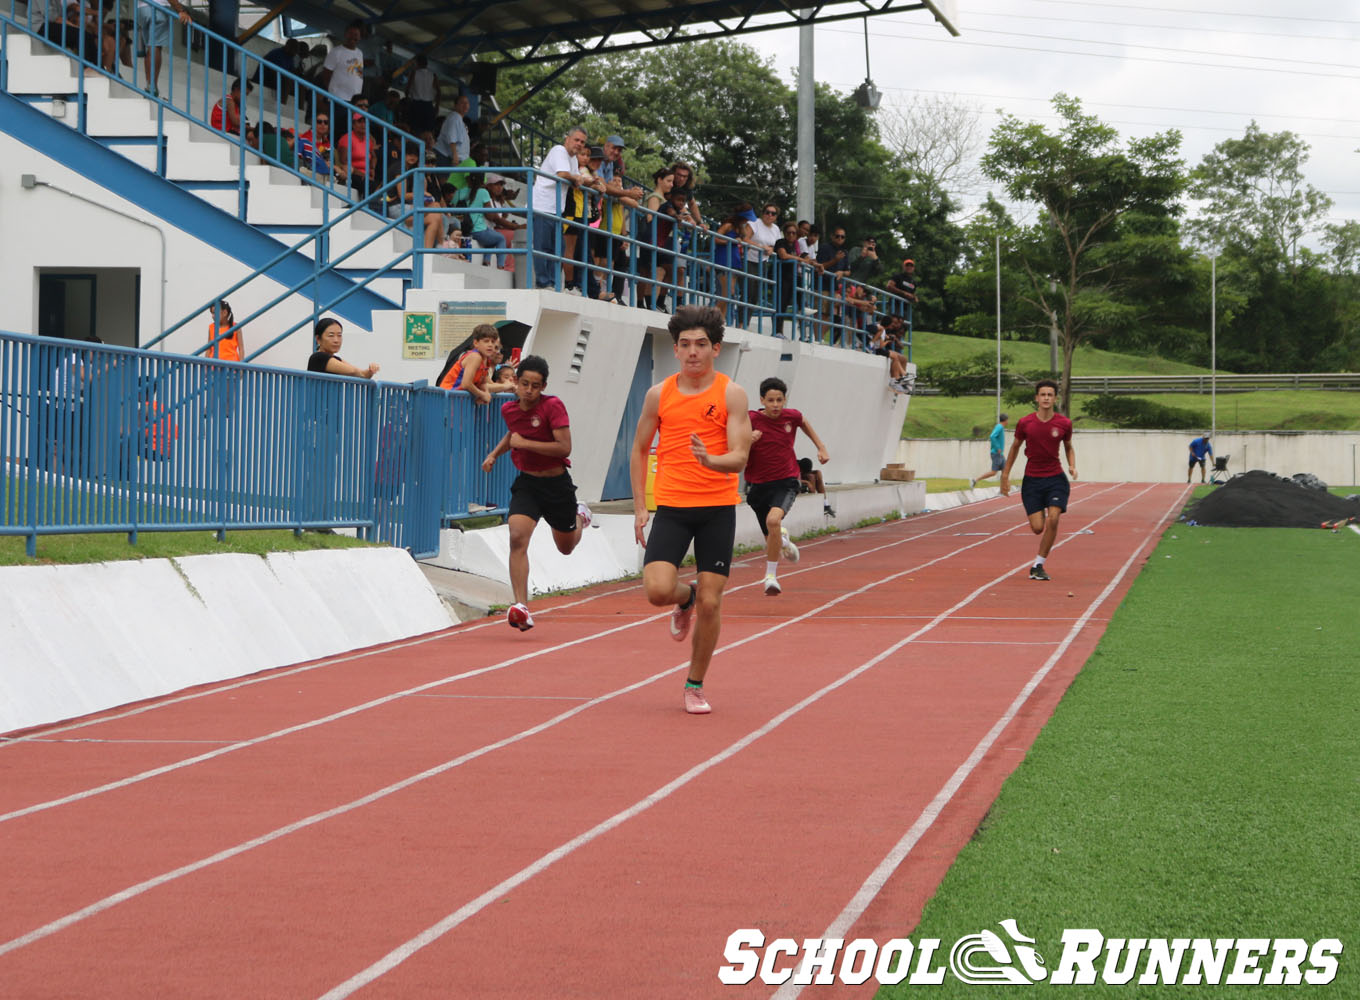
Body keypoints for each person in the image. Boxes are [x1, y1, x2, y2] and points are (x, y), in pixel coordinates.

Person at [630, 305, 751, 715]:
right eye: (685, 345)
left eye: (701, 344)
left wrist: (709, 462)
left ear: (715, 348)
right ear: (676, 350)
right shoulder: (658, 394)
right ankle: (687, 599)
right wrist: (640, 506)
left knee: (714, 604)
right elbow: (640, 448)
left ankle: (695, 684)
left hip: (717, 507)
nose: (693, 351)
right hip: (674, 506)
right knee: (657, 590)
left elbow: (738, 459)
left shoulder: (731, 393)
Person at [480, 355, 594, 631]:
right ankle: (521, 606)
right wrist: (495, 454)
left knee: (566, 547)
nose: (529, 390)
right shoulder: (509, 410)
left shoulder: (552, 406)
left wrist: (527, 444)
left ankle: (580, 515)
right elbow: (513, 435)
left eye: (535, 386)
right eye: (525, 384)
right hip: (528, 484)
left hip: (556, 485)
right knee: (517, 536)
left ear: (543, 387)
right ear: (516, 382)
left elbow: (564, 448)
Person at [746, 377, 830, 595]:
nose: (775, 405)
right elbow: (733, 440)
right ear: (762, 400)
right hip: (757, 486)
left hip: (786, 481)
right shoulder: (751, 419)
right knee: (770, 537)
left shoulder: (792, 416)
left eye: (779, 400)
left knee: (773, 520)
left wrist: (821, 447)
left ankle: (770, 577)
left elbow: (805, 424)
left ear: (785, 400)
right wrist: (748, 438)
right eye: (771, 400)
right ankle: (782, 540)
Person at [1000, 380, 1077, 582]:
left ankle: (1038, 565)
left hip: (1055, 479)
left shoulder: (1064, 423)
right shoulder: (1026, 423)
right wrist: (1005, 476)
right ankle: (1043, 510)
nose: (1046, 398)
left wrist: (1071, 465)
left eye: (1050, 395)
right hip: (1032, 481)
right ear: (1036, 398)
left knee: (1054, 518)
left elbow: (1068, 446)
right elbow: (1015, 447)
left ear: (1055, 398)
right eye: (1042, 394)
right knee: (1037, 528)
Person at [531, 126, 588, 290]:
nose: (579, 144)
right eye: (576, 140)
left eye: (582, 142)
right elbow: (563, 174)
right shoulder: (559, 150)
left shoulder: (573, 159)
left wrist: (594, 183)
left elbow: (577, 179)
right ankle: (543, 282)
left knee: (558, 247)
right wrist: (577, 178)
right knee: (543, 246)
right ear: (567, 139)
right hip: (543, 205)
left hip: (556, 208)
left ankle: (552, 283)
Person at [134, 0, 192, 96]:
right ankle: (152, 85)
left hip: (141, 9)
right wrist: (181, 10)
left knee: (151, 46)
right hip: (159, 8)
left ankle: (149, 83)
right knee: (155, 46)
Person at [437, 323, 499, 403]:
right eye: (486, 341)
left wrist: (485, 393)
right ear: (476, 343)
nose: (490, 345)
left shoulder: (486, 360)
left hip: (457, 399)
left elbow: (482, 383)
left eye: (493, 342)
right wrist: (482, 395)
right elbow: (466, 384)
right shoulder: (475, 357)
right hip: (449, 397)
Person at [307, 317, 379, 378]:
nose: (336, 340)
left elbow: (361, 374)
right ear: (318, 339)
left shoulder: (336, 359)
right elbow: (353, 371)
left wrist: (370, 371)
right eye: (331, 335)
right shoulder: (318, 357)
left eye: (339, 335)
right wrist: (365, 373)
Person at [321, 22, 365, 112]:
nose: (353, 37)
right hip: (338, 98)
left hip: (354, 101)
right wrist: (332, 93)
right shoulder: (336, 52)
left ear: (360, 37)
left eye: (356, 35)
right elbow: (326, 75)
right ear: (345, 35)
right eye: (350, 34)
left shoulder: (360, 53)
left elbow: (359, 74)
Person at [972, 413, 1009, 488]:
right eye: (1007, 420)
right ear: (1005, 420)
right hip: (996, 454)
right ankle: (975, 480)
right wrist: (998, 447)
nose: (1008, 422)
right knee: (993, 472)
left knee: (1005, 471)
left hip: (1000, 454)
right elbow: (992, 436)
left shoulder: (1000, 427)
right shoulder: (999, 427)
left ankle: (1004, 489)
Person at [434, 93, 471, 167]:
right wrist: (455, 156)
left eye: (467, 103)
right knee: (445, 178)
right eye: (462, 103)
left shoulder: (459, 119)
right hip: (445, 155)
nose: (465, 105)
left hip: (451, 156)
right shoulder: (454, 117)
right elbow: (451, 138)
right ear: (455, 106)